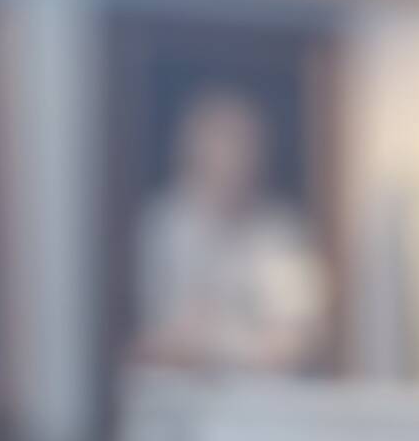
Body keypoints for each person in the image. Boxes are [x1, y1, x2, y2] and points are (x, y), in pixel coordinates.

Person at [130, 84, 331, 376]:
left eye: (242, 145)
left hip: (267, 405)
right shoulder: (166, 225)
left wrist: (210, 343)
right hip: (181, 405)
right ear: (194, 152)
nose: (232, 159)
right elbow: (163, 341)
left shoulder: (282, 232)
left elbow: (297, 340)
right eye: (220, 143)